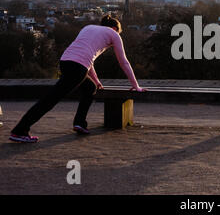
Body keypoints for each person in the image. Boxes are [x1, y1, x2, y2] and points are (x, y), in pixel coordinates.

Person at [9, 15, 146, 143]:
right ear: (116, 29)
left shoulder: (88, 28)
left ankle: (80, 123)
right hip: (78, 68)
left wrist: (97, 81)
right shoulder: (114, 34)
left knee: (90, 87)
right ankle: (20, 130)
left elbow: (87, 58)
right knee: (50, 100)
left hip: (65, 61)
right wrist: (136, 85)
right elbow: (124, 62)